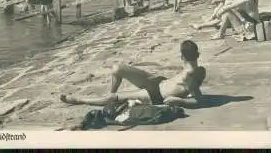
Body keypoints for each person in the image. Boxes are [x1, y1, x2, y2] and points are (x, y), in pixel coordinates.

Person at [60, 40, 206, 108]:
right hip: (158, 82)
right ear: (196, 55)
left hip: (155, 95)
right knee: (117, 69)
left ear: (182, 56)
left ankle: (80, 99)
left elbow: (198, 100)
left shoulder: (193, 74)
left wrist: (179, 101)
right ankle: (109, 99)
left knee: (114, 96)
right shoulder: (195, 69)